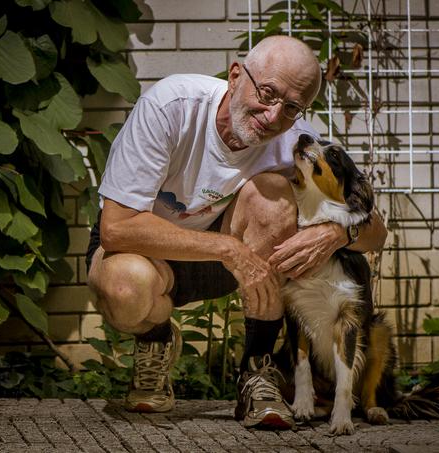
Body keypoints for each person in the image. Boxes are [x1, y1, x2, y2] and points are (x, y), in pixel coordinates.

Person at [85, 35, 387, 429]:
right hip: (148, 250)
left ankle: (256, 371)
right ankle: (155, 339)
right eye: (267, 93)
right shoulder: (171, 105)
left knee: (275, 193)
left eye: (292, 107)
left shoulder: (297, 140)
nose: (273, 115)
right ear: (234, 76)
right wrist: (227, 248)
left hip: (229, 260)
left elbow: (376, 232)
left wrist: (334, 234)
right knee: (125, 289)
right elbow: (117, 228)